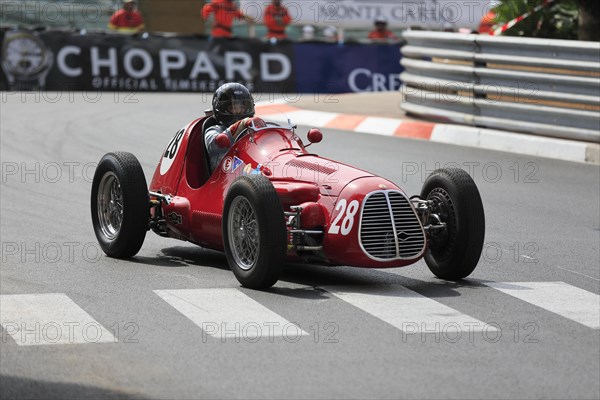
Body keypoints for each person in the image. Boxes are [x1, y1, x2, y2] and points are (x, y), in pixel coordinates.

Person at [205, 83, 265, 171]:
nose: (238, 112)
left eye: (242, 108)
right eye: (233, 107)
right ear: (221, 108)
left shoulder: (251, 129)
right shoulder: (213, 130)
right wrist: (242, 124)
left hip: (252, 173)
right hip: (224, 178)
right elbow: (216, 143)